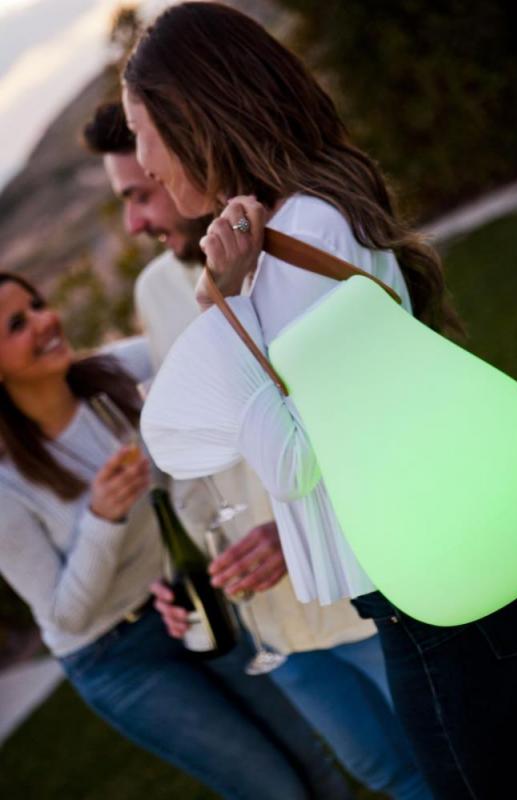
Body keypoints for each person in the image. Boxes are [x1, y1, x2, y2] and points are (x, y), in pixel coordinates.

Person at [122, 4, 517, 799]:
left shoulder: (294, 239)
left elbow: (296, 460)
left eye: (142, 131)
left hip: (432, 600)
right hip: (449, 560)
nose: (143, 161)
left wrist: (221, 309)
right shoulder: (317, 209)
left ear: (192, 117)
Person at [81, 100, 433, 800]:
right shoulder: (156, 289)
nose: (135, 223)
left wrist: (288, 530)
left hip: (356, 588)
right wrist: (198, 574)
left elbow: (353, 412)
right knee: (384, 774)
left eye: (143, 192)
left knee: (460, 758)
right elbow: (191, 461)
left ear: (186, 161)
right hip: (273, 627)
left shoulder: (290, 249)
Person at [0, 270, 374, 800]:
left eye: (37, 304)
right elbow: (65, 616)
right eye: (17, 325)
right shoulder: (7, 483)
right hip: (114, 655)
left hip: (185, 600)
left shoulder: (121, 375)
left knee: (312, 758)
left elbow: (203, 355)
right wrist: (103, 520)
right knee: (273, 787)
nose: (45, 322)